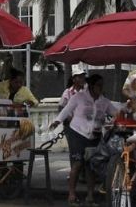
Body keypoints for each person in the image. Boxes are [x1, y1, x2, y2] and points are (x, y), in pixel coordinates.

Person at [50, 74, 119, 207]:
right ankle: (72, 195)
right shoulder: (79, 97)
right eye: (98, 85)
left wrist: (126, 111)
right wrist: (57, 121)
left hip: (95, 136)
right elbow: (66, 109)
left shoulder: (104, 101)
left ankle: (90, 197)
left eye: (102, 85)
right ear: (92, 86)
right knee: (77, 164)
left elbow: (116, 113)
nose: (101, 87)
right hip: (78, 133)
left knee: (91, 167)